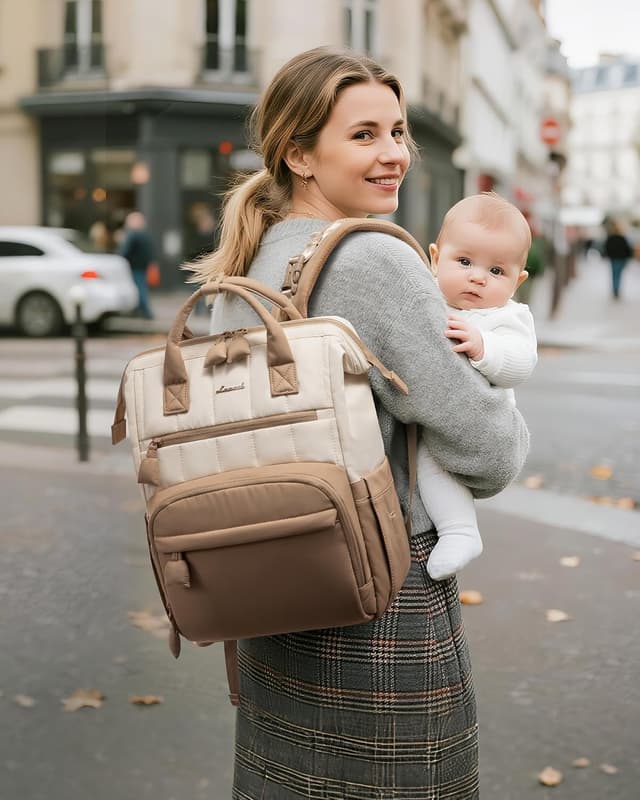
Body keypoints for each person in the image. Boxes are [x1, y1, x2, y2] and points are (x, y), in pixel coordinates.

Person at [190, 47, 529, 798]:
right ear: (300, 153)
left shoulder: (248, 258)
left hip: (272, 597)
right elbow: (488, 451)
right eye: (366, 135)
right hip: (380, 607)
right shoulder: (375, 260)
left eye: (399, 132)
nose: (396, 155)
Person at [420, 193, 538, 580]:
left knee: (435, 466)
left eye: (497, 271)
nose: (477, 277)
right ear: (436, 258)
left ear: (517, 281)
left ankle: (461, 530)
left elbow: (521, 362)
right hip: (427, 410)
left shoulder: (506, 317)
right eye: (465, 261)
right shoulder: (428, 300)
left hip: (474, 419)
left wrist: (485, 347)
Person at [119, 211, 155, 319]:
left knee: (139, 289)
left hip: (134, 266)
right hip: (141, 266)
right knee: (140, 288)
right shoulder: (144, 235)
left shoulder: (133, 235)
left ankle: (147, 313)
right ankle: (140, 311)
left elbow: (125, 251)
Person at [604, 221, 633, 299]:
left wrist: (608, 255)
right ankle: (616, 290)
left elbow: (607, 247)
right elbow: (627, 249)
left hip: (614, 258)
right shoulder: (622, 238)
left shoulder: (611, 238)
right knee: (618, 275)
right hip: (620, 259)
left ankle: (615, 290)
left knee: (614, 274)